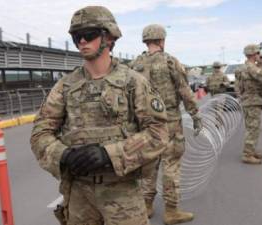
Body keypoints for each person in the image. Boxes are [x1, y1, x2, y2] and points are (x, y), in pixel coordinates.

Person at [30, 6, 169, 225]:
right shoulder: (65, 86)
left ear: (109, 37)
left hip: (122, 195)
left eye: (89, 34)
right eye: (77, 37)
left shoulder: (133, 82)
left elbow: (159, 133)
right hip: (79, 196)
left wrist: (109, 154)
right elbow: (40, 134)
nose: (82, 41)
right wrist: (64, 155)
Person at [130, 24, 203, 225]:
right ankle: (171, 211)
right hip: (168, 120)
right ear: (162, 40)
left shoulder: (135, 64)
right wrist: (195, 114)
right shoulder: (170, 61)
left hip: (144, 123)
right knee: (171, 165)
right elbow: (184, 90)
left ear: (145, 40)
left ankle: (146, 205)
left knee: (148, 165)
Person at [236, 44, 262, 164]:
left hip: (248, 100)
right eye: (258, 53)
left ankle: (251, 151)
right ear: (253, 55)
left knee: (251, 127)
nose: (259, 56)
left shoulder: (243, 67)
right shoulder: (252, 67)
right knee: (253, 128)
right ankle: (247, 154)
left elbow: (239, 86)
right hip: (252, 100)